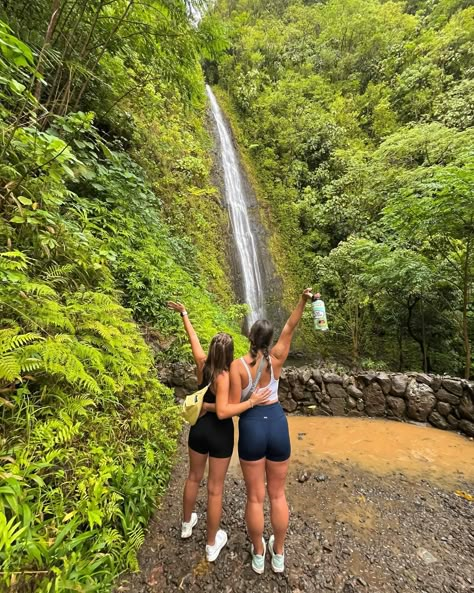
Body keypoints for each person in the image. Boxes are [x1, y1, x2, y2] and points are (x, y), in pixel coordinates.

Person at [167, 301, 270, 563]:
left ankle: (186, 524)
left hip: (198, 431)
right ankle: (212, 544)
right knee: (214, 489)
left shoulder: (202, 364)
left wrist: (184, 314)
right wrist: (251, 402)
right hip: (221, 434)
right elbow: (225, 412)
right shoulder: (225, 376)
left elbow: (193, 340)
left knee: (192, 478)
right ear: (229, 354)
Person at [229, 288, 312, 574]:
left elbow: (231, 405)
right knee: (277, 495)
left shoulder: (237, 367)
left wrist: (250, 401)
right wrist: (302, 300)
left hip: (251, 426)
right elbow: (291, 325)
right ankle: (278, 554)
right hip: (277, 424)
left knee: (255, 497)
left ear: (250, 337)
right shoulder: (276, 358)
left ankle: (258, 552)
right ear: (269, 341)